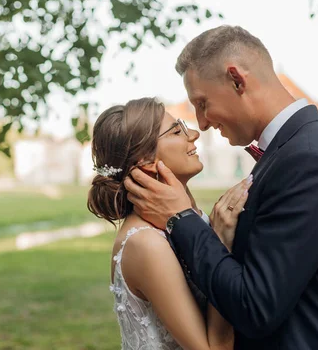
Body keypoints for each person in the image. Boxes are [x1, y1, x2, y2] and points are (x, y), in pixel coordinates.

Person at [124, 26, 318, 349]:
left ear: (237, 80)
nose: (202, 122)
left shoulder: (310, 160)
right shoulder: (292, 152)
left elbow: (255, 307)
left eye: (202, 103)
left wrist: (180, 217)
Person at [87, 97, 246, 350]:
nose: (193, 134)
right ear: (145, 161)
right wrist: (222, 244)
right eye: (176, 131)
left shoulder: (186, 218)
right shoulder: (146, 244)